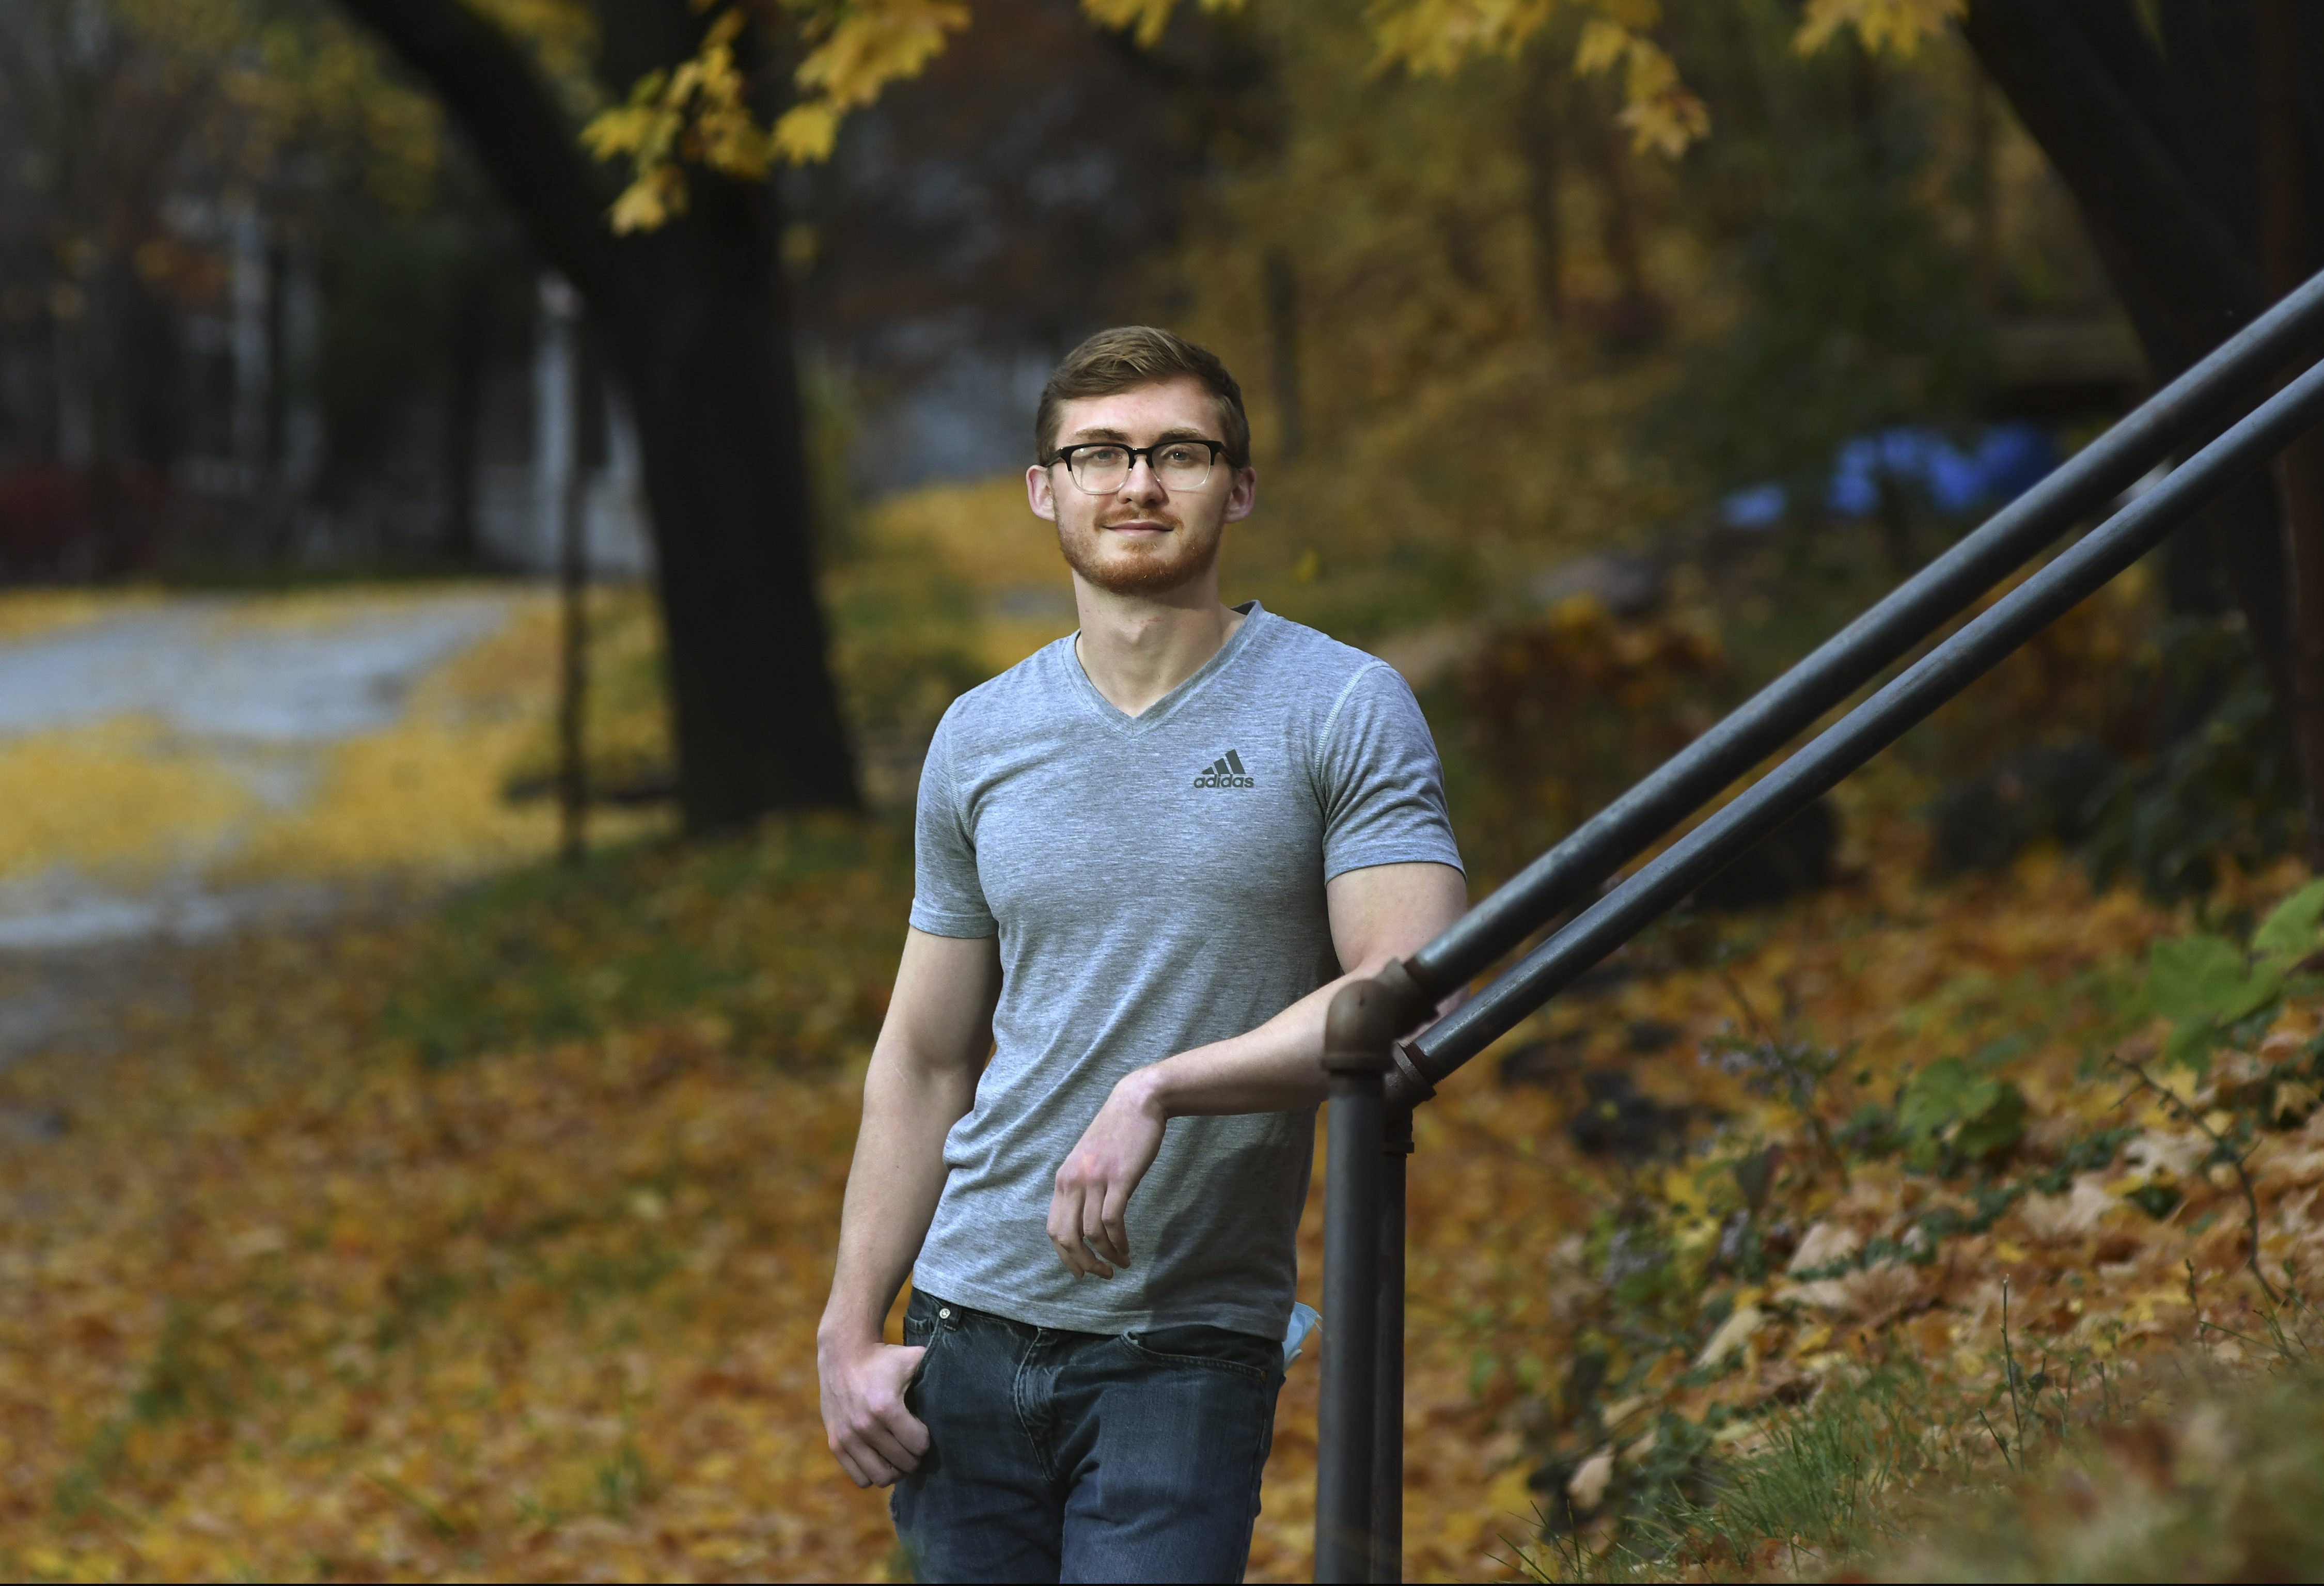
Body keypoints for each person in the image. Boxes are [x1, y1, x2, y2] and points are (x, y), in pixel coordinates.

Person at [815, 325, 1465, 1583]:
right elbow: (925, 1055)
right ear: (1042, 490)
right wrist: (851, 1326)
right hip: (968, 1328)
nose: (1138, 483)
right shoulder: (979, 736)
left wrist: (1160, 1087)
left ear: (1241, 485)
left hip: (1187, 1336)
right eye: (1099, 453)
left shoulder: (1340, 706)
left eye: (1180, 451)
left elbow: (1407, 985)